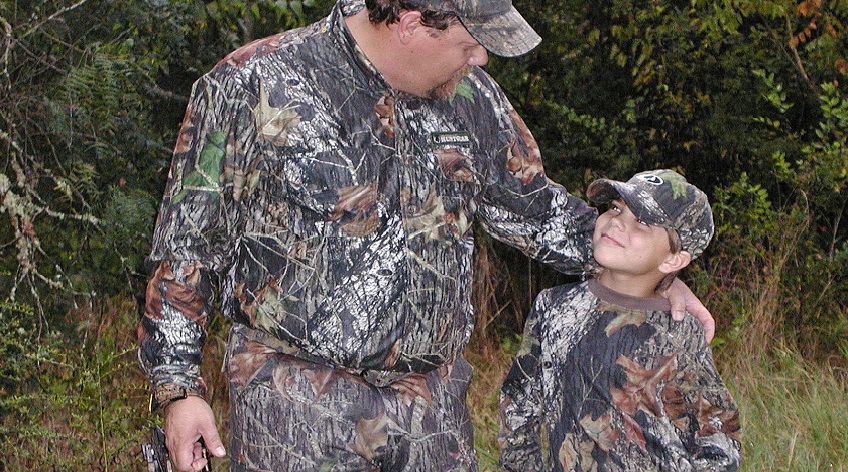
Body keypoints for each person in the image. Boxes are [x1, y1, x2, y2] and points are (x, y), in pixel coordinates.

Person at [137, 0, 714, 470]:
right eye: (469, 42)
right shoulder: (254, 84)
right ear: (412, 22)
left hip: (431, 407)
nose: (481, 58)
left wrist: (652, 276)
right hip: (291, 400)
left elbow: (538, 211)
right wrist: (178, 388)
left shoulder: (472, 100)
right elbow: (188, 244)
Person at [498, 169, 742, 471]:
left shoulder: (680, 330)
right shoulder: (552, 306)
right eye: (615, 208)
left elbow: (719, 432)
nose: (616, 221)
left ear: (673, 260)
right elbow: (519, 404)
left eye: (641, 221)